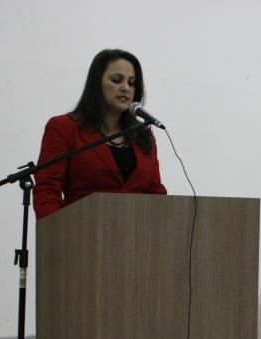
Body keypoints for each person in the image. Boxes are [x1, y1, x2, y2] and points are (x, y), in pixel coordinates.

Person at [33, 49, 167, 219]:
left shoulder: (143, 135)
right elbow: (47, 189)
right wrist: (56, 231)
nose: (125, 88)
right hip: (81, 230)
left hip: (137, 232)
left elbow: (156, 193)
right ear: (97, 83)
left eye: (132, 83)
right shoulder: (64, 128)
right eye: (116, 80)